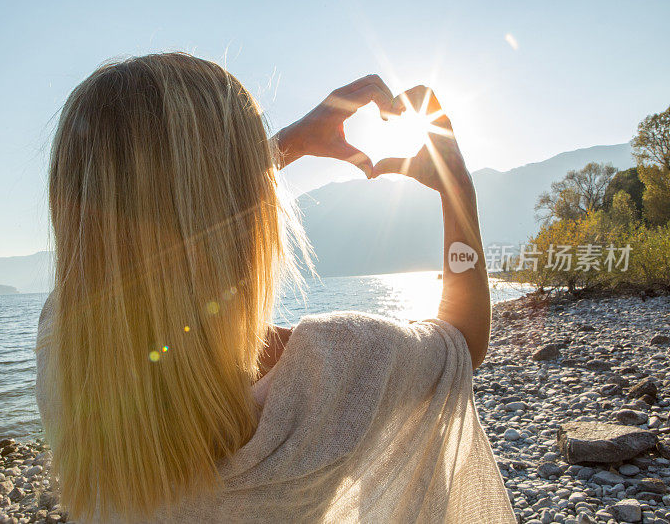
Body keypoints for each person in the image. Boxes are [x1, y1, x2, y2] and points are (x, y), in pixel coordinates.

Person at [36, 52, 515, 523]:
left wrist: (278, 148)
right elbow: (461, 342)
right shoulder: (330, 369)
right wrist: (457, 188)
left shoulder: (66, 350)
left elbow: (133, 249)